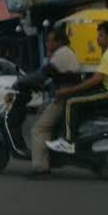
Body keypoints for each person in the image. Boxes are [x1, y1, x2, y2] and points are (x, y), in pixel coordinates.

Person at [47, 22, 108, 154]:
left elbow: (96, 79)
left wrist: (69, 91)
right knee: (79, 100)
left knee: (71, 102)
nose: (97, 39)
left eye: (101, 35)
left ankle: (67, 142)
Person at [27, 26, 80, 178]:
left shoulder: (61, 54)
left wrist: (21, 82)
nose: (47, 44)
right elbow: (53, 77)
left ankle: (41, 168)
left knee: (39, 129)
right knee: (42, 111)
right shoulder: (66, 53)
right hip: (64, 95)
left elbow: (43, 73)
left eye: (49, 41)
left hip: (64, 98)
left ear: (58, 42)